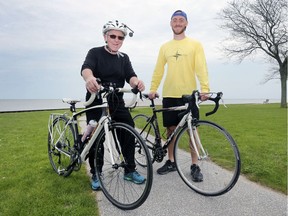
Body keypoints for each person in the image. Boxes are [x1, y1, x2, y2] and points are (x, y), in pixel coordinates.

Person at [81, 20, 146, 190]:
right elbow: (86, 68)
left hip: (116, 100)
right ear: (105, 36)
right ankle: (96, 172)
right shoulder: (95, 52)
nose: (117, 40)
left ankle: (130, 171)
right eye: (113, 36)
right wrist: (89, 78)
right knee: (96, 135)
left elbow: (130, 76)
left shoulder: (124, 58)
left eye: (120, 37)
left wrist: (136, 82)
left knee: (128, 130)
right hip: (96, 99)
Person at [148, 10, 210, 182]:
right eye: (174, 20)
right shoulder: (165, 47)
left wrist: (205, 88)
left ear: (186, 23)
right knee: (170, 130)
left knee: (192, 130)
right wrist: (153, 88)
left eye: (181, 20)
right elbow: (158, 69)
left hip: (189, 95)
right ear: (170, 24)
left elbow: (201, 67)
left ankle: (195, 165)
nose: (177, 23)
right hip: (169, 93)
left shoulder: (195, 44)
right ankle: (171, 161)